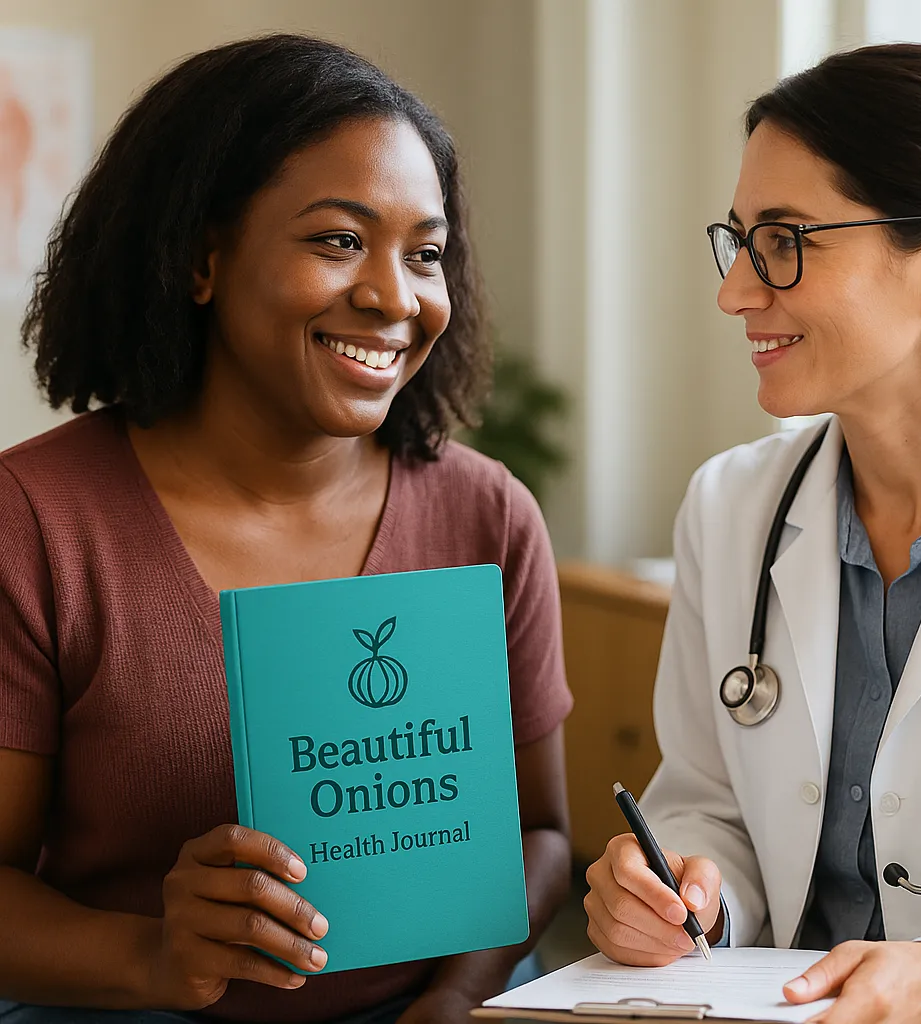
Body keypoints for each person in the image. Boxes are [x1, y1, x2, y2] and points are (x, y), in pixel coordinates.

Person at [0, 34, 573, 1024]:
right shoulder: (37, 523)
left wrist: (458, 994)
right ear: (201, 259)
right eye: (338, 240)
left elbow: (542, 836)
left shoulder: (488, 516)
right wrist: (152, 955)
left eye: (425, 253)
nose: (395, 298)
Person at [584, 43, 921, 1024]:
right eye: (736, 240)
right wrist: (689, 888)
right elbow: (705, 798)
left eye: (782, 240)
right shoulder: (730, 507)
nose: (734, 291)